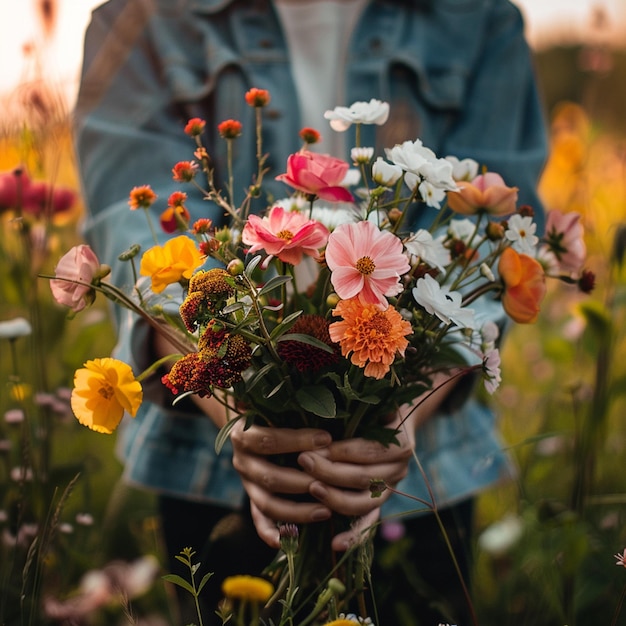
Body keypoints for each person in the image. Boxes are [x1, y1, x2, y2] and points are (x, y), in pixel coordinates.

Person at [73, 0, 547, 623]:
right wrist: (239, 409)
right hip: (210, 467)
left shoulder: (480, 17)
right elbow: (143, 236)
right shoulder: (140, 18)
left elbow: (492, 239)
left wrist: (401, 413)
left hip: (423, 463)